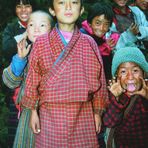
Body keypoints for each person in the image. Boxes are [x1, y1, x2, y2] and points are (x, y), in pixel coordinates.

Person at [21, 0, 109, 147]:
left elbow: (100, 80)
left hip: (83, 111)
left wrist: (97, 112)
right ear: (52, 10)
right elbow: (32, 79)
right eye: (61, 2)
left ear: (81, 10)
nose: (68, 7)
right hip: (49, 113)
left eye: (74, 2)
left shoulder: (89, 42)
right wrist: (33, 111)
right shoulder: (41, 43)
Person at [2, 10, 53, 148]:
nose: (36, 29)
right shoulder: (25, 52)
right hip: (27, 116)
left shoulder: (58, 55)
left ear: (53, 30)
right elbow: (10, 82)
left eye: (42, 25)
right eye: (31, 25)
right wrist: (20, 59)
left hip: (54, 114)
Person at [103, 46, 148, 147]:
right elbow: (109, 122)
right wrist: (116, 99)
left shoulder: (146, 92)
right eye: (123, 72)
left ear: (144, 73)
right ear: (116, 76)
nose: (130, 76)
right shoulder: (115, 96)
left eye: (135, 70)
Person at [1, 0, 32, 146]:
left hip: (35, 90)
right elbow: (6, 48)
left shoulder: (42, 25)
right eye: (19, 6)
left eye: (27, 5)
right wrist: (26, 34)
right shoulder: (11, 28)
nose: (23, 10)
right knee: (14, 132)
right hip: (14, 88)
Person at [80, 2, 119, 81]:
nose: (102, 28)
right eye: (98, 23)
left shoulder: (106, 39)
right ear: (89, 23)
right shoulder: (82, 36)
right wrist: (105, 47)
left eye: (106, 24)